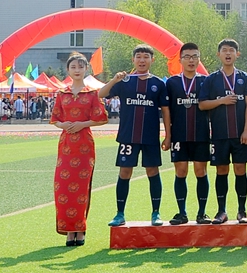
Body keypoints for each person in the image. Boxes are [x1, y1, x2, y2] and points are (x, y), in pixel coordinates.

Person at [99, 44, 171, 227]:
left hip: (150, 137)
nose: (142, 60)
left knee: (152, 171)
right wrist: (114, 80)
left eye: (146, 57)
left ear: (152, 60)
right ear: (133, 60)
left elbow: (165, 110)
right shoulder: (124, 81)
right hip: (128, 136)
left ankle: (156, 213)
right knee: (125, 172)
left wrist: (168, 135)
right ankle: (119, 214)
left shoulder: (158, 84)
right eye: (138, 56)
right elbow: (101, 94)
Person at [50, 52, 108, 246]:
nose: (77, 70)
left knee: (82, 188)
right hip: (66, 145)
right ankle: (69, 230)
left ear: (86, 69)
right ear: (68, 69)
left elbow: (102, 118)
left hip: (84, 145)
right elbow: (55, 118)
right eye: (73, 67)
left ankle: (80, 229)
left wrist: (82, 124)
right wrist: (63, 125)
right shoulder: (62, 93)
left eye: (80, 67)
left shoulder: (92, 93)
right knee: (62, 186)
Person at [198, 39, 247, 224]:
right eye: (224, 50)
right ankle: (221, 211)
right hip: (220, 135)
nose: (228, 53)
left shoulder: (245, 78)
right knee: (221, 170)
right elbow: (202, 104)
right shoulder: (211, 79)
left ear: (237, 54)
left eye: (231, 50)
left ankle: (242, 211)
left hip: (240, 135)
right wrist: (221, 101)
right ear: (219, 54)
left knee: (240, 170)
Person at [166, 43, 211, 225]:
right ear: (180, 60)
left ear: (199, 59)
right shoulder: (172, 83)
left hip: (201, 134)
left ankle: (202, 213)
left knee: (201, 171)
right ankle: (182, 213)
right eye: (187, 57)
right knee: (181, 172)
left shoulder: (206, 81)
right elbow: (166, 110)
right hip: (179, 135)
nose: (191, 60)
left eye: (194, 56)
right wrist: (168, 135)